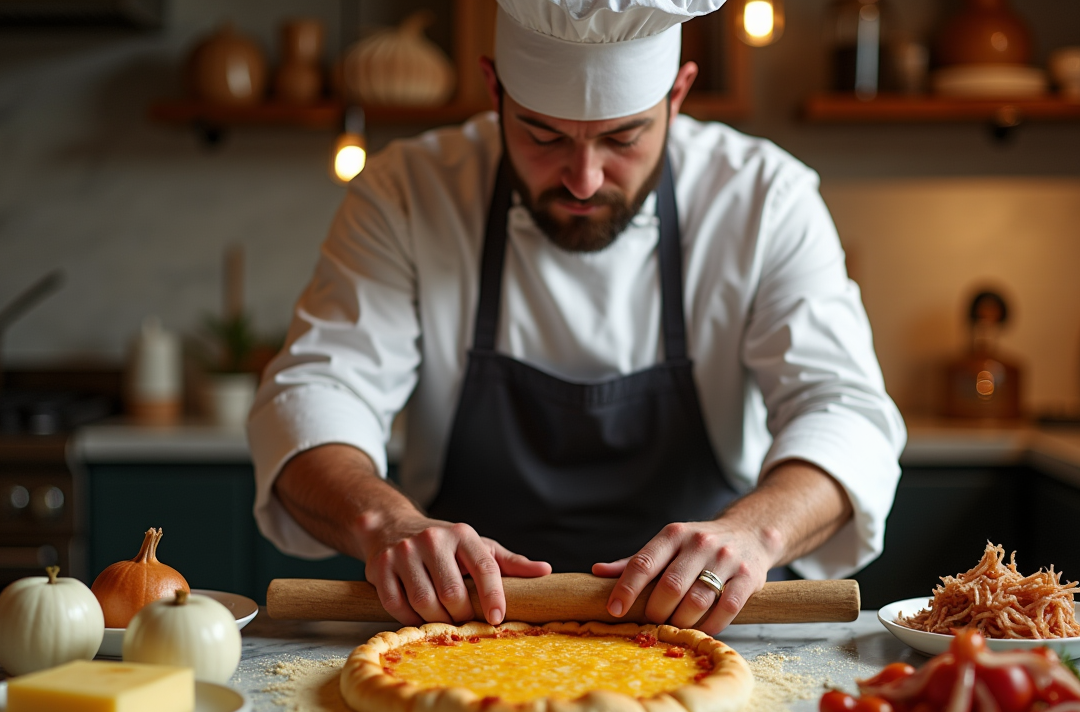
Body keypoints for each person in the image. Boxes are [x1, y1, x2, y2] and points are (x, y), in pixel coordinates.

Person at [248, 0, 905, 635]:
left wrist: (757, 533)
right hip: (457, 631)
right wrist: (384, 525)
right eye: (543, 134)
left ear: (677, 96)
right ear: (493, 88)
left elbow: (844, 412)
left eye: (624, 136)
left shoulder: (764, 198)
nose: (584, 179)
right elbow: (316, 393)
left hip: (712, 627)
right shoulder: (409, 192)